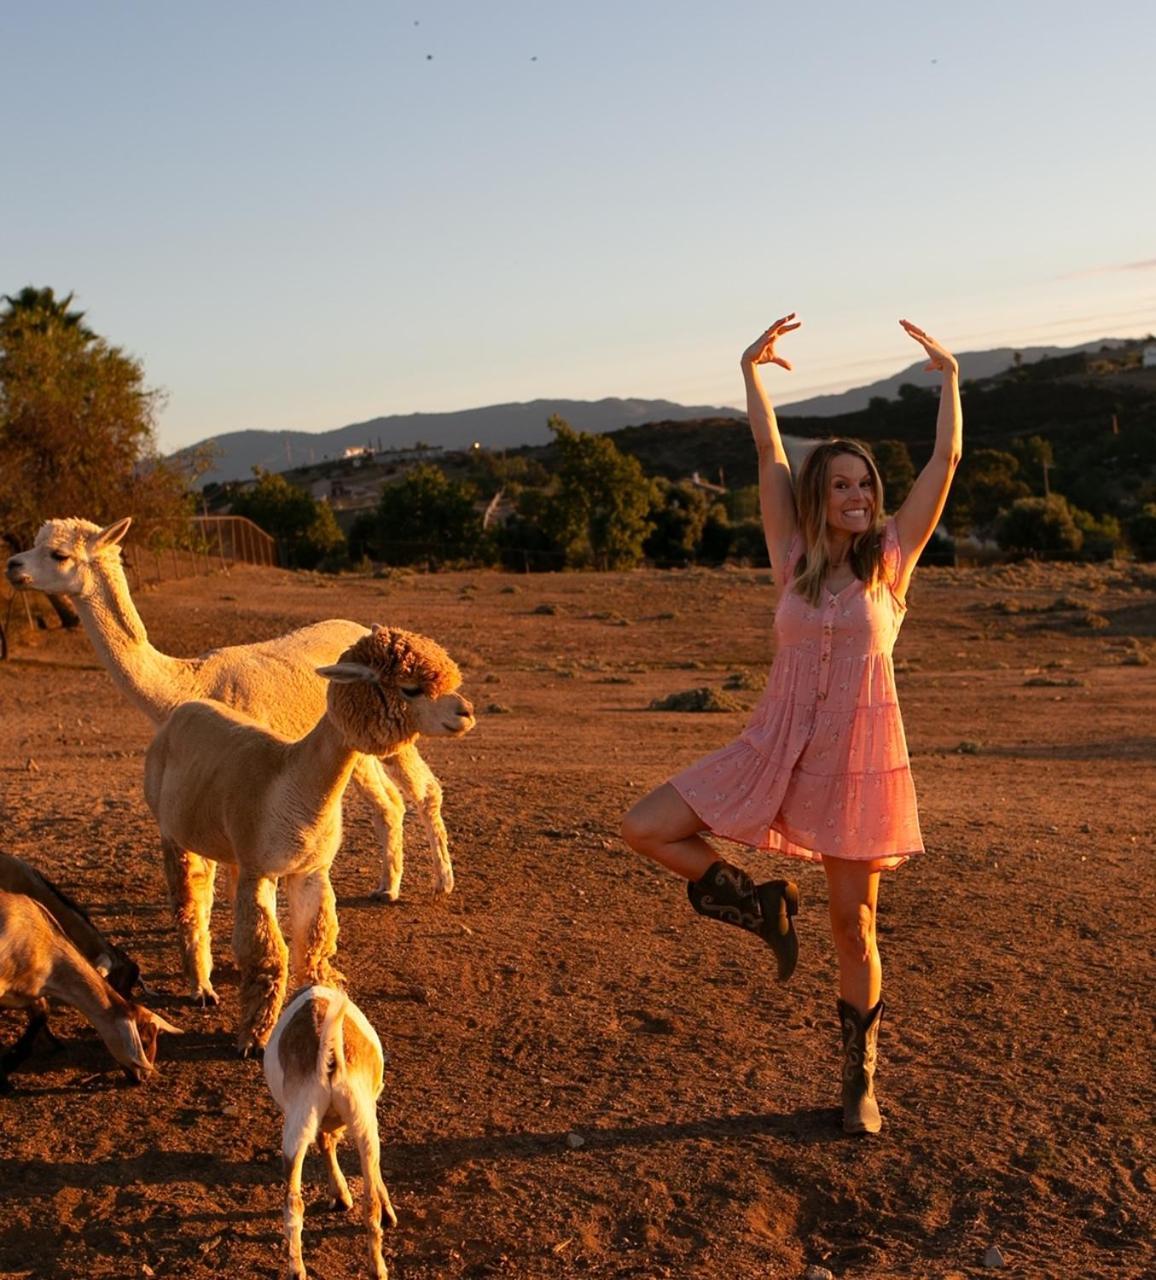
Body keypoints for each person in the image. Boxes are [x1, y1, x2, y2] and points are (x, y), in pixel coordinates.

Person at [621, 313, 962, 1134]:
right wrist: (752, 376)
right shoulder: (791, 559)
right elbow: (770, 458)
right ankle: (758, 907)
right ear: (821, 497)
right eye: (841, 485)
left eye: (866, 486)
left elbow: (945, 462)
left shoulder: (891, 562)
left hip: (857, 761)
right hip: (771, 743)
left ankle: (859, 1082)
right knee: (646, 827)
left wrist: (950, 383)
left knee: (855, 926)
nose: (857, 496)